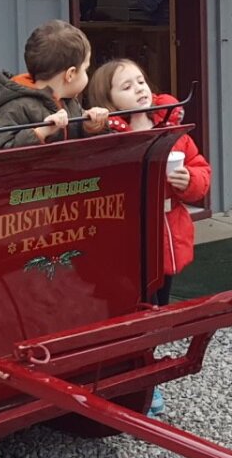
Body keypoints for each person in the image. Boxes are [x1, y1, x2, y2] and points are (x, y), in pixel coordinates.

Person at [87, 58, 212, 417]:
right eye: (127, 87)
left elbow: (201, 170)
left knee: (158, 314)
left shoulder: (173, 125)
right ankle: (136, 384)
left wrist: (191, 181)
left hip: (167, 241)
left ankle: (147, 380)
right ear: (108, 100)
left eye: (140, 81)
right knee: (132, 317)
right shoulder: (106, 137)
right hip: (126, 244)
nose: (140, 89)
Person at [0, 20, 109, 150]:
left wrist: (90, 126)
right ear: (70, 74)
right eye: (85, 69)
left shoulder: (69, 103)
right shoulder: (14, 107)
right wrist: (42, 132)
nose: (87, 75)